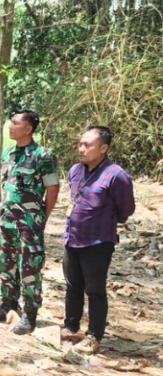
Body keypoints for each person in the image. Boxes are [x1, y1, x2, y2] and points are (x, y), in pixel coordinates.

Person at [0, 109, 59, 335]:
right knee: (5, 263)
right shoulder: (8, 153)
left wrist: (40, 218)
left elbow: (52, 189)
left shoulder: (43, 155)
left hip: (29, 222)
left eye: (15, 123)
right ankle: (8, 305)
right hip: (7, 221)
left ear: (28, 129)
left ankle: (29, 313)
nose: (11, 126)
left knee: (29, 267)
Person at [61, 126, 135, 354]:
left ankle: (94, 335)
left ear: (103, 148)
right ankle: (71, 327)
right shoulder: (75, 170)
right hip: (72, 238)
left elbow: (126, 210)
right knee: (72, 286)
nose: (81, 149)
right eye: (80, 144)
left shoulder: (116, 176)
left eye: (88, 145)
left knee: (95, 290)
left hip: (97, 242)